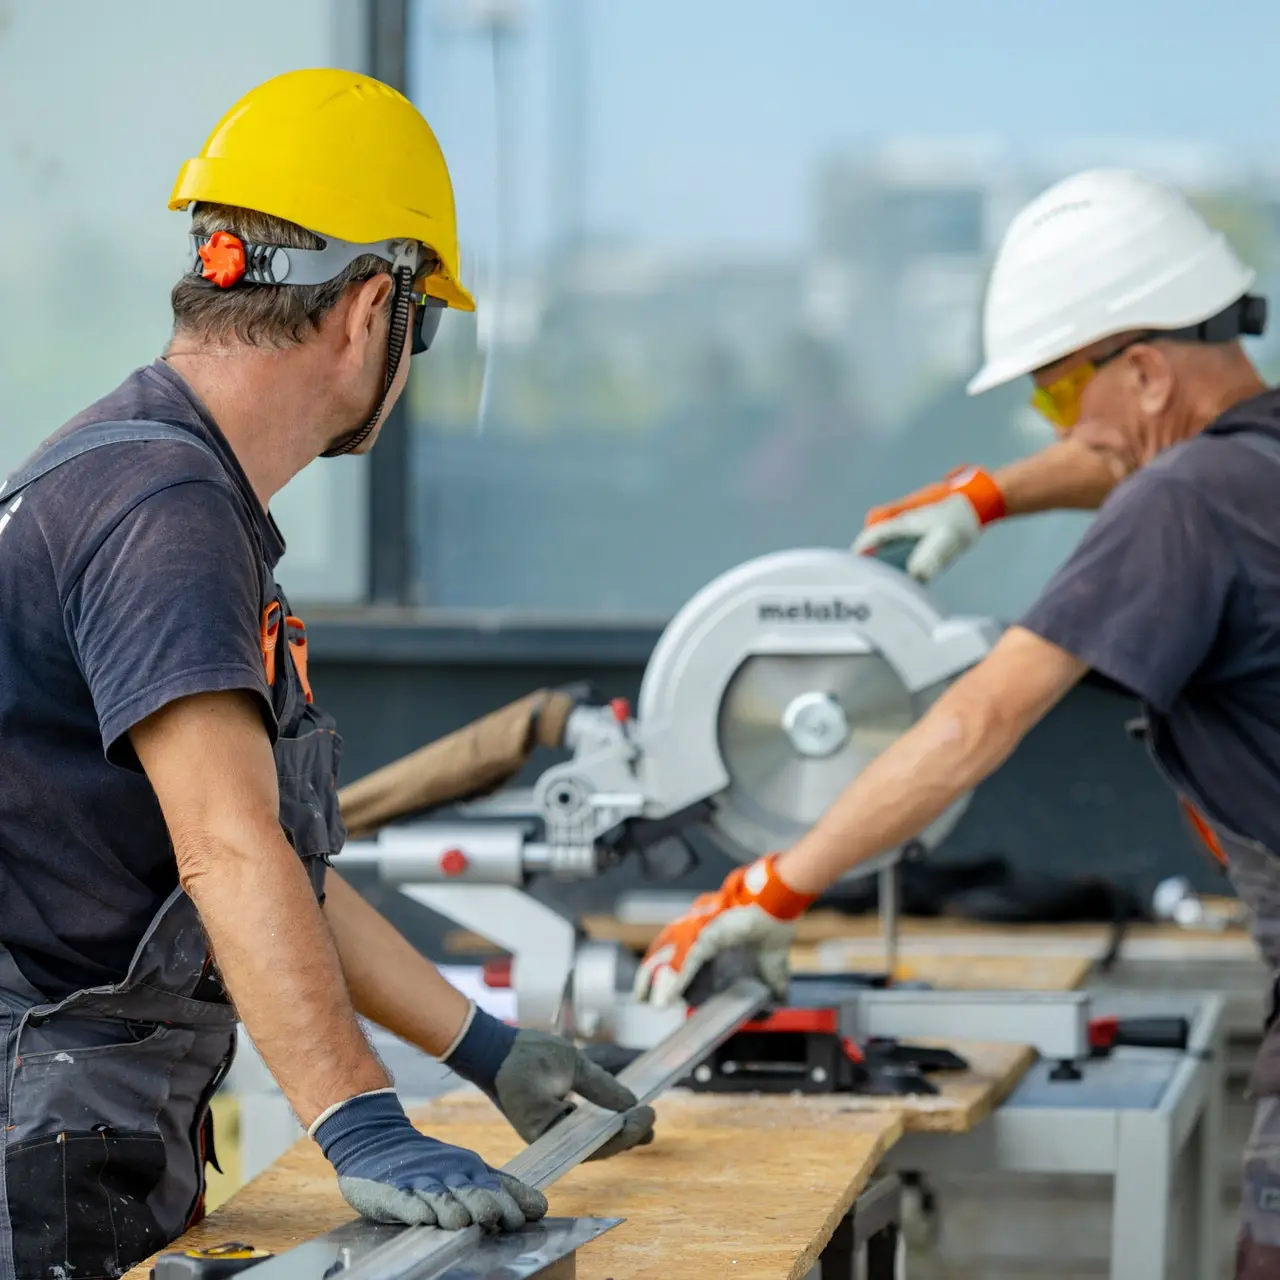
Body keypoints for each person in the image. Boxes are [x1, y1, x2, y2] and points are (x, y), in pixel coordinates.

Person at [0, 68, 653, 1280]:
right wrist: (359, 1118)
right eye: (426, 323)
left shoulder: (153, 482)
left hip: (74, 1102)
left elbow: (270, 868)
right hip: (34, 1132)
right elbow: (229, 852)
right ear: (370, 310)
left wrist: (486, 1049)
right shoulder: (167, 509)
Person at [634, 167, 1280, 1276]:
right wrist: (985, 496)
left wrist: (777, 883)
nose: (1058, 427)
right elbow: (1130, 453)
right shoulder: (1246, 459)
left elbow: (975, 720)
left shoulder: (1179, 505)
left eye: (1052, 396)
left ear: (1141, 366)